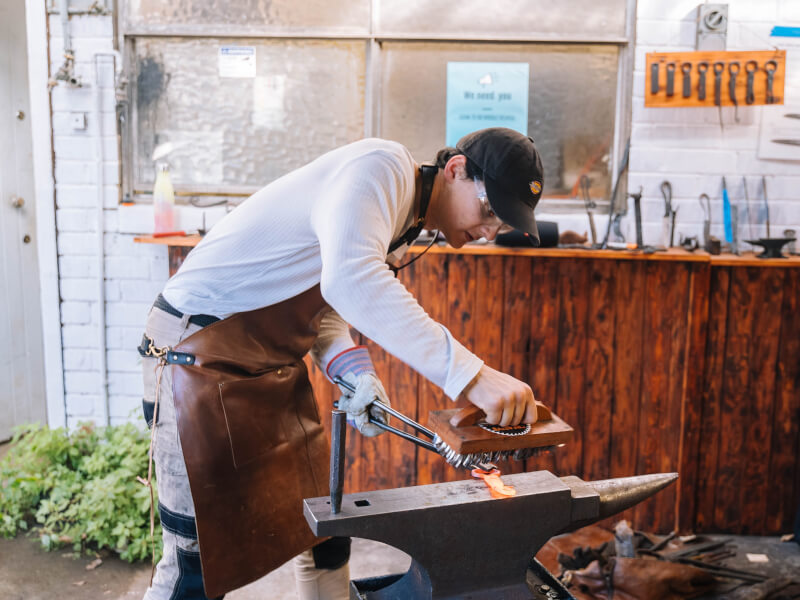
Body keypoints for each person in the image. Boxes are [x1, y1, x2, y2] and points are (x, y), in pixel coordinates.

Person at [138, 127, 545, 600]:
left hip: (267, 368)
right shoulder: (381, 168)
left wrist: (355, 374)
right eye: (490, 211)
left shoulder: (402, 225)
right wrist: (474, 376)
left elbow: (324, 308)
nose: (489, 233)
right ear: (455, 170)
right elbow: (349, 279)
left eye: (502, 225)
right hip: (195, 357)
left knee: (324, 534)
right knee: (195, 567)